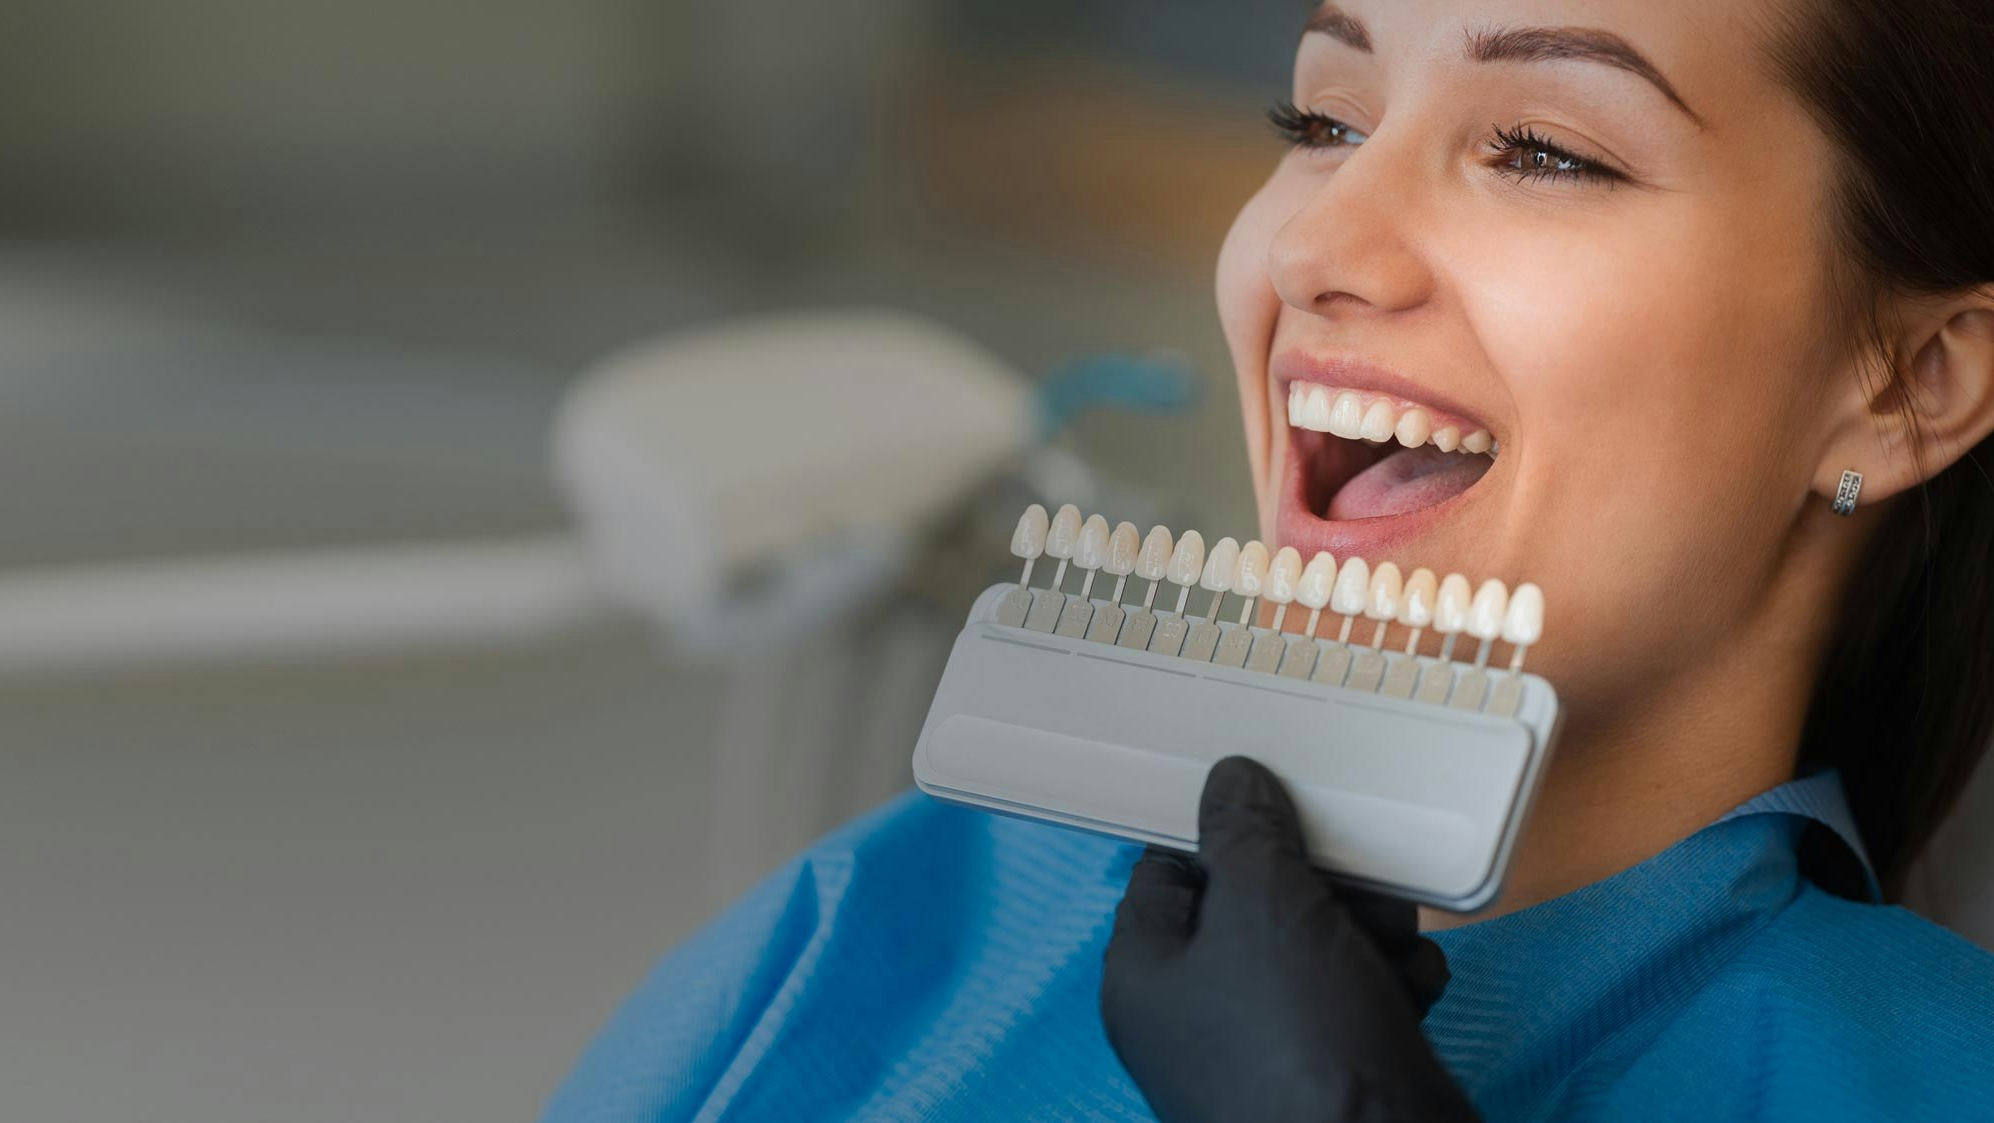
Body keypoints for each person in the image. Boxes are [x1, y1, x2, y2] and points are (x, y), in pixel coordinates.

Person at [544, 0, 1994, 1118]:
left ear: (1915, 379)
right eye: (1321, 123)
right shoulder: (896, 913)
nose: (1318, 247)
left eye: (1547, 150)